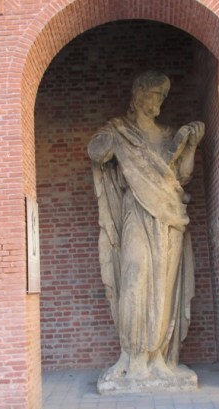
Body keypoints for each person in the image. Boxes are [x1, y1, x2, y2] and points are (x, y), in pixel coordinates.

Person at [88, 71, 204, 388]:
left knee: (163, 287)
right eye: (154, 94)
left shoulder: (169, 134)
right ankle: (132, 356)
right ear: (138, 95)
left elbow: (181, 177)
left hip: (169, 213)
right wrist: (110, 141)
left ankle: (159, 359)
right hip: (135, 210)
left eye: (162, 96)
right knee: (134, 277)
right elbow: (96, 153)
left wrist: (190, 147)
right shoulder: (120, 130)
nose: (158, 101)